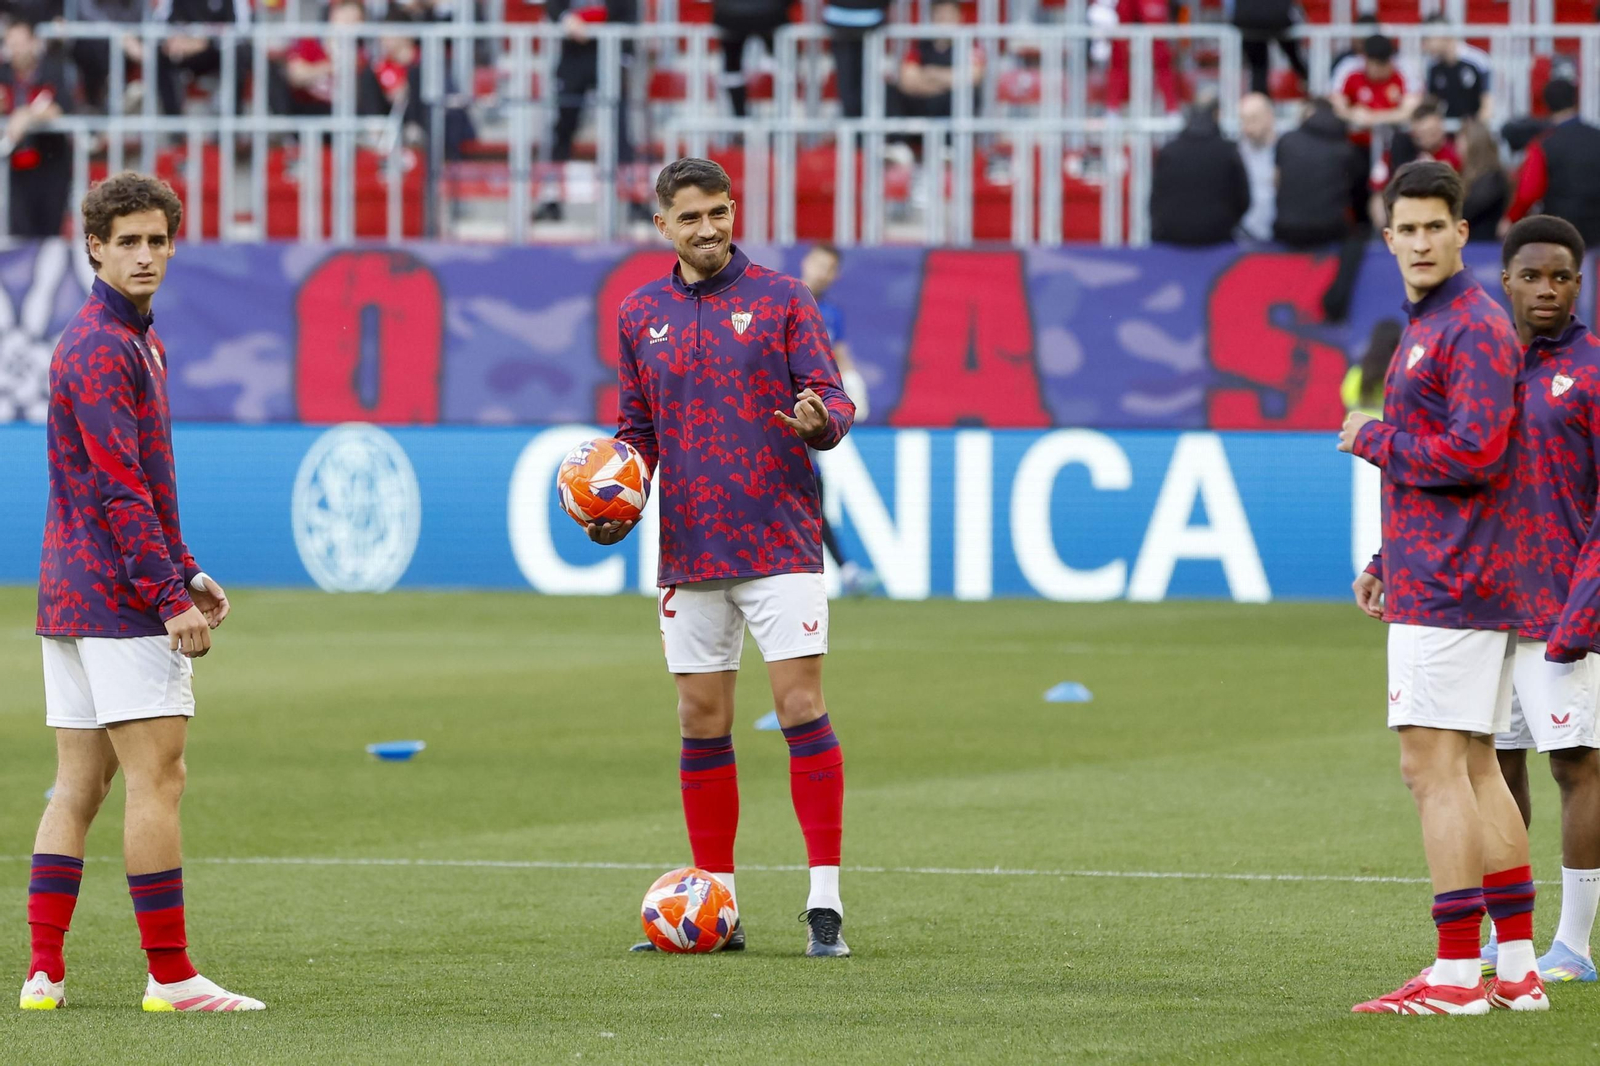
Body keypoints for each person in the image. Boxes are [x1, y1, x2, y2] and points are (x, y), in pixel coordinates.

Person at [599, 158, 856, 957]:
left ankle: (825, 907)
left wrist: (820, 422)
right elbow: (635, 434)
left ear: (732, 210)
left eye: (719, 212)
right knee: (699, 720)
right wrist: (616, 500)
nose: (708, 229)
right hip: (690, 546)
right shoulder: (640, 314)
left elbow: (834, 398)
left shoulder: (783, 299)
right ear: (662, 227)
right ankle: (719, 906)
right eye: (691, 218)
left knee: (800, 708)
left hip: (779, 539)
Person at [20, 172, 262, 1013]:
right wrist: (167, 596)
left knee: (76, 789)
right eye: (128, 240)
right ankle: (171, 977)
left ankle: (43, 975)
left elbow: (139, 486)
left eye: (158, 239)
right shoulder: (101, 345)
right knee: (160, 780)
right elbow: (121, 489)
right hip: (115, 599)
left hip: (70, 596)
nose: (146, 254)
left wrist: (186, 566)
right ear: (94, 246)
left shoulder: (129, 339)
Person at [1340, 161, 1545, 1014]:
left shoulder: (1468, 325)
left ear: (1464, 233)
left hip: (1456, 582)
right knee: (1473, 766)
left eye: (1436, 227)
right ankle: (1519, 970)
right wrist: (1391, 557)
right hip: (1449, 568)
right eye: (1407, 229)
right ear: (1388, 239)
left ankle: (1459, 974)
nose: (1421, 242)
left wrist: (1373, 436)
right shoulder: (1438, 323)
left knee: (1429, 769)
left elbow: (1474, 454)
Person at [1482, 215, 1600, 984]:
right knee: (1495, 768)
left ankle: (1575, 945)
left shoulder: (1591, 369)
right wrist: (1389, 556)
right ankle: (1511, 937)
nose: (1548, 289)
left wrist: (1586, 606)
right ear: (1507, 281)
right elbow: (1456, 479)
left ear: (1579, 283)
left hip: (1563, 606)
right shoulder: (1482, 368)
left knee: (1578, 767)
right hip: (1482, 606)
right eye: (1533, 276)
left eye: (1562, 276)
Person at [799, 241, 878, 596]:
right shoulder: (782, 301)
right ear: (806, 263)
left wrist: (854, 384)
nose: (820, 272)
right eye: (817, 263)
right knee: (810, 499)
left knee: (812, 498)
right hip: (780, 416)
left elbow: (841, 358)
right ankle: (841, 571)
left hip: (808, 425)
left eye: (827, 267)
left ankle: (836, 572)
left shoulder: (831, 314)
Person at [537, 0, 637, 221]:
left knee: (620, 130)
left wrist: (611, 37)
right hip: (573, 56)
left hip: (610, 52)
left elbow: (630, 15)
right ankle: (551, 198)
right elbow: (553, 6)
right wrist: (566, 18)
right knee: (563, 129)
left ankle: (635, 200)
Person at [1508, 79, 1600, 248]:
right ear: (1576, 101)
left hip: (1561, 233)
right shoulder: (1597, 137)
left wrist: (1510, 220)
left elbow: (1528, 193)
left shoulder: (1543, 144)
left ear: (1546, 105)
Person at [0, 18, 71, 238]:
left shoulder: (52, 69)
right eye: (12, 44)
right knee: (19, 233)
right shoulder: (3, 74)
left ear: (33, 42)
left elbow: (62, 107)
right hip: (15, 168)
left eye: (21, 43)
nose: (17, 50)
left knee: (49, 234)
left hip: (50, 164)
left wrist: (27, 115)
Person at [1149, 97, 1250, 246]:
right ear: (1217, 115)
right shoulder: (1228, 151)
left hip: (1171, 239)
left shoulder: (1169, 151)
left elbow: (1155, 199)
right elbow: (1244, 199)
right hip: (1218, 239)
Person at [886, 0, 982, 127]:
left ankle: (950, 144)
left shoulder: (968, 46)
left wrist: (931, 73)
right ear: (932, 18)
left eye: (949, 16)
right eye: (941, 16)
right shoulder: (919, 46)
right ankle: (899, 143)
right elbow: (907, 80)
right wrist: (947, 82)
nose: (945, 21)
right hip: (921, 103)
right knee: (890, 91)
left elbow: (972, 77)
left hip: (948, 107)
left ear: (960, 17)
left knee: (966, 95)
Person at [153, 0, 251, 117]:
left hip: (217, 52)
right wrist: (173, 40)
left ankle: (230, 125)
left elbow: (242, 29)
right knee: (159, 57)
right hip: (183, 52)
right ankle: (174, 125)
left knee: (238, 56)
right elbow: (158, 25)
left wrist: (205, 42)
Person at [1335, 34, 1418, 151]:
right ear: (1365, 59)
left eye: (1382, 65)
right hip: (1354, 144)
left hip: (1393, 144)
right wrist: (1352, 114)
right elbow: (1336, 106)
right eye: (1373, 65)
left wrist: (1373, 118)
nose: (1377, 70)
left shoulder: (1405, 71)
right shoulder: (1349, 69)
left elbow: (1410, 111)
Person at [712, 0, 788, 118]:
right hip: (771, 16)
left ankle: (739, 118)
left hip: (729, 16)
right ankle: (777, 120)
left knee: (732, 67)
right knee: (784, 65)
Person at [822, 0, 889, 120]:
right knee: (851, 86)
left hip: (861, 18)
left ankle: (856, 127)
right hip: (850, 19)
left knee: (857, 85)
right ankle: (854, 129)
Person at [1422, 14, 1492, 123]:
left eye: (1427, 39)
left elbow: (1487, 107)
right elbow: (1431, 105)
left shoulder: (1478, 62)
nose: (1424, 45)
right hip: (1444, 132)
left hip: (1473, 131)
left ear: (1442, 35)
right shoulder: (1432, 66)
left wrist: (1474, 131)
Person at [1231, 0, 1307, 97]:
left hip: (1248, 21)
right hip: (1275, 20)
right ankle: (1259, 105)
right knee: (1260, 68)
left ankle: (1259, 103)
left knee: (1258, 69)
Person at [1340, 317, 1401, 418]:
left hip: (1357, 430)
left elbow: (1347, 401)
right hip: (1388, 431)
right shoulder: (1402, 378)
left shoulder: (1355, 374)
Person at [1459, 119, 1508, 242]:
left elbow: (1467, 210)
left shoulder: (1493, 178)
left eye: (1461, 140)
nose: (1457, 145)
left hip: (1484, 246)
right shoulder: (1465, 174)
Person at [1237, 91, 1277, 242]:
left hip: (1281, 238)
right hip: (1243, 236)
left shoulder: (1288, 151)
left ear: (1269, 117)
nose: (1247, 128)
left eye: (1253, 119)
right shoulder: (1235, 153)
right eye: (1243, 120)